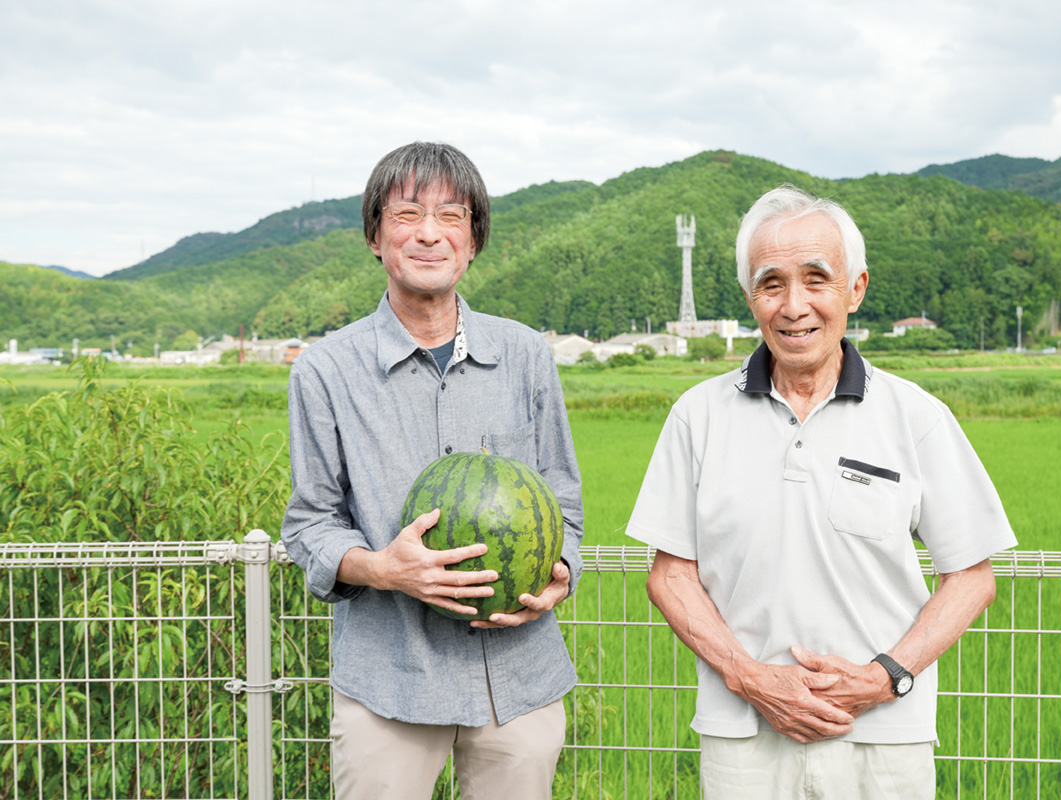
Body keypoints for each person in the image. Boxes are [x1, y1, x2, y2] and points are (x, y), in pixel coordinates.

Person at [625, 184, 1017, 799]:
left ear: (855, 289)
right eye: (771, 283)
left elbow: (972, 577)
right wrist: (750, 679)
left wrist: (885, 678)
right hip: (742, 733)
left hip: (883, 735)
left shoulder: (915, 416)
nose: (793, 305)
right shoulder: (698, 415)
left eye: (816, 278)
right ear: (750, 297)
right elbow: (670, 576)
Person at [281, 141, 584, 800]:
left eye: (451, 216)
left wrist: (561, 573)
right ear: (375, 237)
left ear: (473, 239)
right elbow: (310, 525)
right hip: (390, 678)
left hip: (518, 678)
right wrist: (381, 568)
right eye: (407, 214)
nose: (428, 233)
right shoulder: (326, 370)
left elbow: (562, 504)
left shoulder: (526, 356)